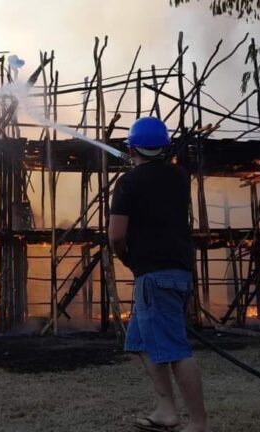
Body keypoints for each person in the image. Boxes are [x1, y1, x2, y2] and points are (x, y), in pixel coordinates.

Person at [108, 117, 209, 432]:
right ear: (164, 147)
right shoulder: (179, 177)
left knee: (175, 349)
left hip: (155, 275)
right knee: (141, 341)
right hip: (176, 270)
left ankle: (198, 422)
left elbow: (115, 236)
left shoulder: (129, 182)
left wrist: (125, 258)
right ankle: (166, 410)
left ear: (130, 147)